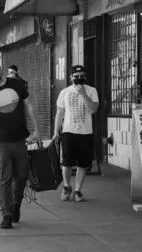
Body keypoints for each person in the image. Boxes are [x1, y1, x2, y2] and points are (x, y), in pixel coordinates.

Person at [0, 58, 41, 229]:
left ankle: (16, 205)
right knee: (5, 177)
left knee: (21, 176)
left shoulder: (16, 84)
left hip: (19, 138)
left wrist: (37, 130)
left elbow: (28, 106)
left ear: (1, 68)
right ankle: (6, 213)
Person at [53, 65, 99, 203]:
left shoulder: (91, 90)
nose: (79, 78)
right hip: (68, 131)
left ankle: (78, 190)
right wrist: (56, 131)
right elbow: (60, 113)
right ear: (71, 77)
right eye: (76, 76)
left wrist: (83, 94)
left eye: (82, 75)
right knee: (66, 163)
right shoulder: (64, 92)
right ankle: (67, 186)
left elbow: (93, 110)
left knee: (83, 164)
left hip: (85, 132)